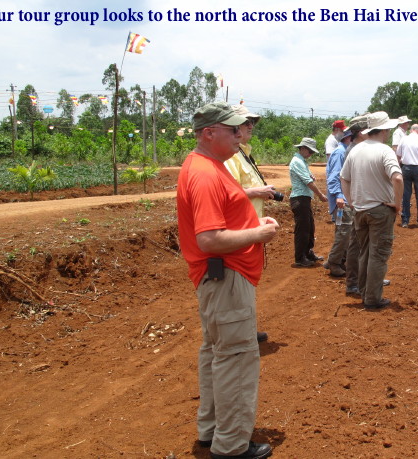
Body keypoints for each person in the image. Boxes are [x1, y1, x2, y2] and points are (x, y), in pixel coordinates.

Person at [177, 102, 279, 459]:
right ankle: (232, 445)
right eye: (232, 130)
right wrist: (257, 234)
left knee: (215, 353)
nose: (239, 135)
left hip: (218, 277)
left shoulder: (207, 166)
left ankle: (211, 431)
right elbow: (209, 238)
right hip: (225, 276)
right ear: (209, 133)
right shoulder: (205, 173)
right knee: (235, 356)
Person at [223, 104, 275, 343]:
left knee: (247, 282)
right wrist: (257, 191)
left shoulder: (243, 153)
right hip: (240, 230)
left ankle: (246, 328)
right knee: (238, 282)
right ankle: (239, 333)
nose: (250, 126)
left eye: (252, 122)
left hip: (251, 226)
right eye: (245, 123)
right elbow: (228, 193)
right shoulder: (231, 157)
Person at [340, 111, 403, 309]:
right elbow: (398, 178)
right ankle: (373, 298)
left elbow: (344, 178)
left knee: (364, 252)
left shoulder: (356, 150)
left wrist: (351, 201)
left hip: (360, 211)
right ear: (384, 130)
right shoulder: (385, 151)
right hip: (380, 210)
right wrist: (398, 203)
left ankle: (364, 291)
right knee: (378, 254)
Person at [289, 137, 328, 267]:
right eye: (310, 151)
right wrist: (321, 195)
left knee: (309, 227)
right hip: (299, 198)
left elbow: (308, 177)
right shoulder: (297, 161)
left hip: (304, 198)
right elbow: (308, 182)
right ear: (303, 148)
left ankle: (307, 252)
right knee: (303, 230)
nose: (311, 154)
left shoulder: (301, 161)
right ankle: (300, 258)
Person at [325, 128, 354, 278]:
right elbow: (334, 177)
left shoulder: (344, 152)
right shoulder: (341, 152)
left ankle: (337, 259)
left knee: (342, 230)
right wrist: (339, 196)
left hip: (343, 198)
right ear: (348, 138)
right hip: (341, 200)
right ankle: (334, 262)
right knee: (344, 231)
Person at [396, 123, 418, 228]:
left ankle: (405, 221)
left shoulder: (404, 139)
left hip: (406, 168)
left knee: (406, 195)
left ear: (411, 130)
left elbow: (398, 155)